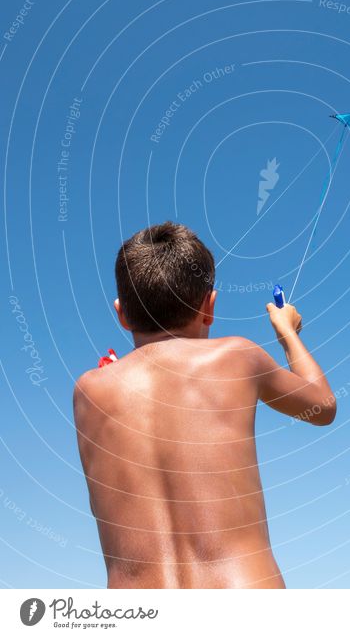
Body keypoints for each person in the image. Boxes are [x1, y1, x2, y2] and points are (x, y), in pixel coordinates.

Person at [74, 222, 336, 589]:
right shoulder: (238, 355)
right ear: (208, 307)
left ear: (121, 313)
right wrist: (287, 331)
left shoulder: (88, 391)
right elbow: (322, 406)